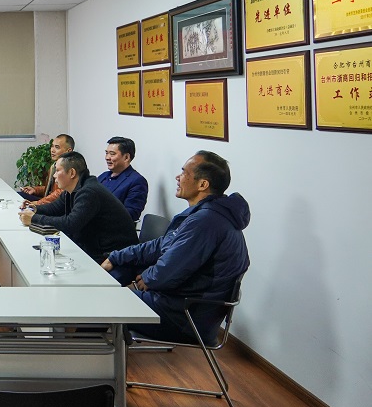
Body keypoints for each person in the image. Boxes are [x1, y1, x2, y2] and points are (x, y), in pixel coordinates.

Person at [100, 151, 250, 345]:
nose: (178, 177)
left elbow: (168, 271)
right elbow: (161, 245)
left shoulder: (206, 222)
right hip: (177, 304)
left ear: (202, 184)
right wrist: (116, 257)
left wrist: (146, 279)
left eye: (184, 173)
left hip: (184, 318)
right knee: (118, 270)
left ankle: (92, 361)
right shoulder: (206, 214)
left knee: (104, 298)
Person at [19, 151, 137, 262]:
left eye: (58, 171)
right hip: (93, 247)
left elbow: (71, 224)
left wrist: (34, 219)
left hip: (113, 254)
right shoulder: (73, 188)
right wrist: (35, 208)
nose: (54, 175)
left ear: (72, 173)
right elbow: (55, 208)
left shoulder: (89, 192)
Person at [97, 136, 148, 221]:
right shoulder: (103, 176)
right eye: (106, 153)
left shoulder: (137, 181)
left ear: (126, 157)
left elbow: (131, 214)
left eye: (112, 154)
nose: (107, 157)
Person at [18, 134, 75, 205]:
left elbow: (60, 193)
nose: (52, 150)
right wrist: (35, 190)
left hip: (55, 206)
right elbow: (50, 189)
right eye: (52, 146)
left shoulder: (69, 169)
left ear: (68, 151)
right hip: (47, 200)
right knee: (19, 195)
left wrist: (37, 203)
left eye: (57, 147)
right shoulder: (54, 166)